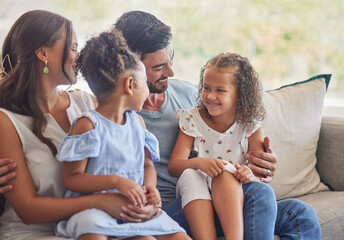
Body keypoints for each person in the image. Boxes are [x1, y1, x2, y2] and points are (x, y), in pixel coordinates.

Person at [114, 10, 321, 239]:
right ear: (129, 65)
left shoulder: (190, 95)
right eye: (159, 67)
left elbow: (245, 154)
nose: (171, 73)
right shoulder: (118, 116)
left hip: (229, 201)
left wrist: (260, 167)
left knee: (299, 213)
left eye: (171, 60)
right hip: (180, 208)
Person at [0, 10, 156, 240]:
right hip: (35, 233)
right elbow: (28, 210)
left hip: (96, 226)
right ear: (43, 53)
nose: (78, 57)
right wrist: (103, 202)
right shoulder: (8, 121)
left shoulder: (86, 103)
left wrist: (144, 202)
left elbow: (132, 134)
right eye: (72, 48)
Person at [55, 30, 189, 240]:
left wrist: (150, 188)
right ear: (129, 85)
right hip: (94, 211)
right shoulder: (88, 126)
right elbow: (71, 178)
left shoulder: (138, 123)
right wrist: (116, 182)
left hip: (132, 208)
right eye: (144, 82)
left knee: (177, 236)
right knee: (94, 234)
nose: (146, 89)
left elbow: (147, 166)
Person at [168, 52, 270, 240]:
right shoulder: (192, 118)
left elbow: (258, 170)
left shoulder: (250, 126)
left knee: (224, 171)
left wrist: (250, 172)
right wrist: (199, 163)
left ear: (240, 95)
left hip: (231, 194)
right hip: (196, 189)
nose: (210, 96)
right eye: (206, 88)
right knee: (191, 173)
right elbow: (174, 166)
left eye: (220, 90)